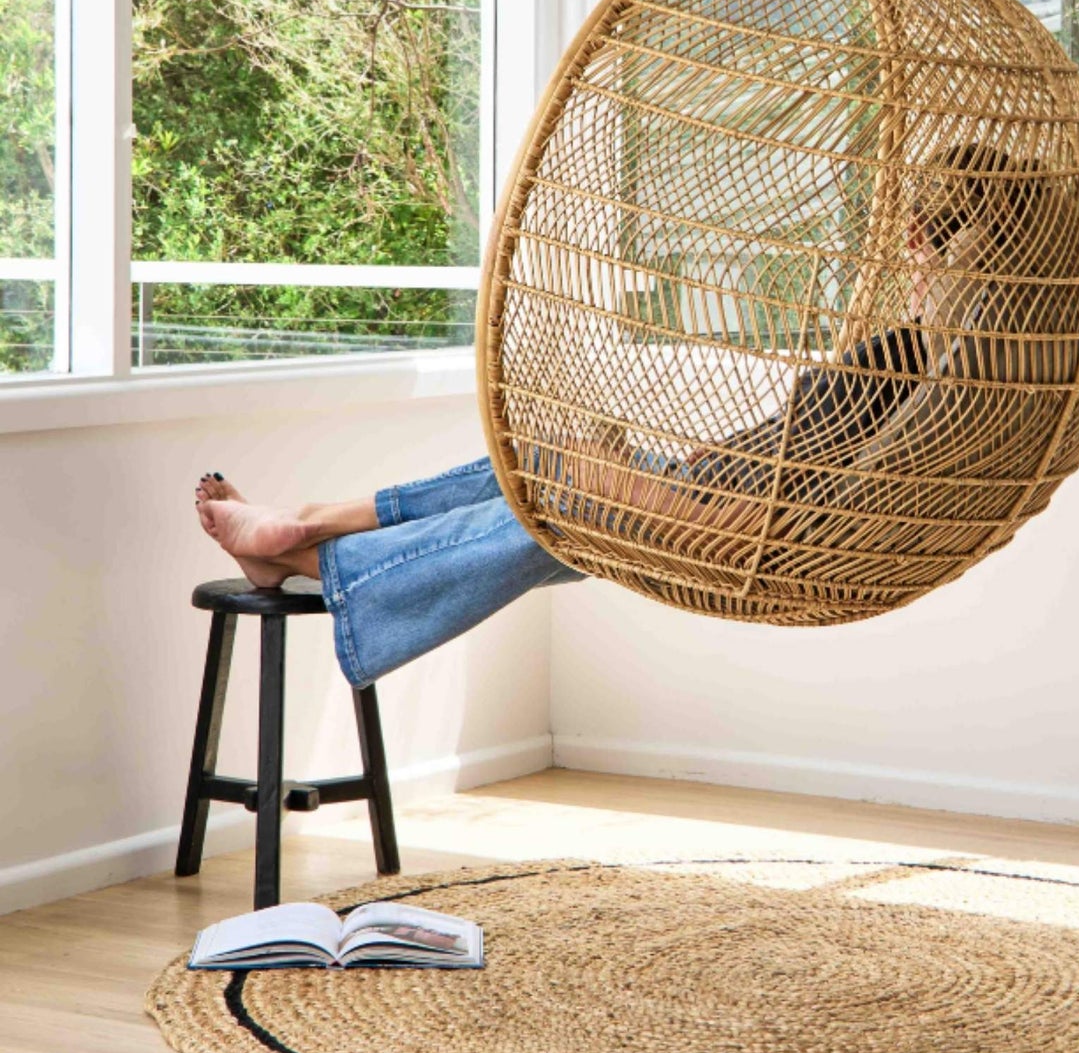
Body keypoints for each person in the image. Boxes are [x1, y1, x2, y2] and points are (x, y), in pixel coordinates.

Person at [195, 142, 1017, 688]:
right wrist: (670, 466)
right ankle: (310, 530)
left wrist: (644, 492)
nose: (908, 249)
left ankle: (311, 551)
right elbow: (798, 446)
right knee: (545, 466)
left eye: (929, 236)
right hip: (699, 486)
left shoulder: (945, 371)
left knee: (556, 495)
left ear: (963, 255)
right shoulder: (917, 351)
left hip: (717, 523)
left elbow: (808, 512)